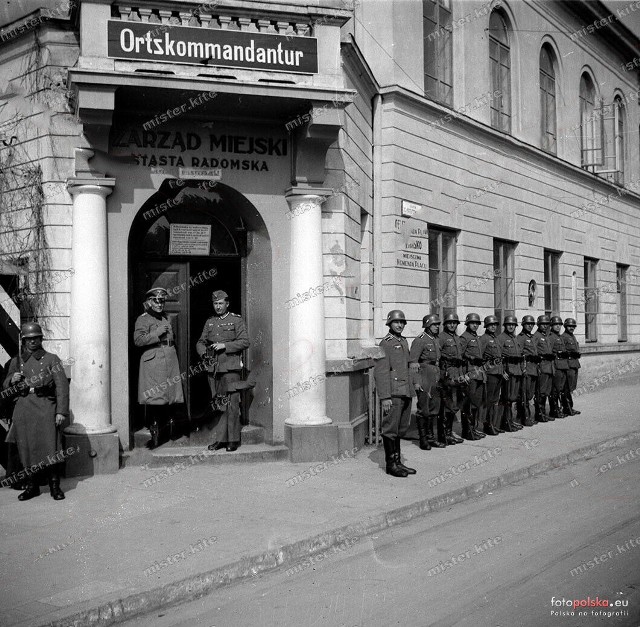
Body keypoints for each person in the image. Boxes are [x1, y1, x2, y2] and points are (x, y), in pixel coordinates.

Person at [2, 322, 69, 501]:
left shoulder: (52, 359)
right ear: (24, 341)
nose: (32, 342)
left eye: (36, 338)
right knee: (26, 449)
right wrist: (11, 379)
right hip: (23, 409)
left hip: (46, 407)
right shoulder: (17, 361)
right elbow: (5, 382)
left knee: (50, 447)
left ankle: (55, 486)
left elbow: (62, 387)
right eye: (29, 339)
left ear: (41, 339)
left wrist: (61, 412)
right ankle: (32, 486)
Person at [197, 290, 250, 452]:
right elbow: (201, 341)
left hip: (230, 367)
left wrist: (225, 346)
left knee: (232, 404)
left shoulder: (235, 320)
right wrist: (204, 353)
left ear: (227, 304)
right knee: (219, 404)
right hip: (214, 369)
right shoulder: (210, 322)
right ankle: (221, 439)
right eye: (215, 304)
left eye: (221, 304)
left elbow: (245, 341)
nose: (218, 307)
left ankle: (232, 440)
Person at [134, 287, 184, 448]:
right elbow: (138, 341)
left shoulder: (166, 318)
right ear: (149, 302)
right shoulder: (143, 319)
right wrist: (157, 332)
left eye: (162, 301)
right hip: (154, 362)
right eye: (156, 301)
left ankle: (169, 434)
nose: (159, 304)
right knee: (155, 399)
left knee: (169, 397)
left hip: (169, 359)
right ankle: (155, 438)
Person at [374, 309, 416, 477]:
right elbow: (381, 372)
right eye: (396, 322)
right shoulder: (386, 343)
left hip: (405, 391)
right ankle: (391, 465)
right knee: (390, 429)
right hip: (393, 393)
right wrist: (385, 397)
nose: (399, 325)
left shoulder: (403, 341)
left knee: (400, 428)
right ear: (389, 324)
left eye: (402, 322)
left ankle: (398, 462)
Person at [409, 314, 445, 450]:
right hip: (424, 377)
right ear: (427, 325)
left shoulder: (436, 339)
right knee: (423, 408)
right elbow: (413, 363)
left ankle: (431, 438)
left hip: (435, 376)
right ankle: (423, 439)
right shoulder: (420, 340)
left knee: (434, 408)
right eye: (434, 324)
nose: (437, 327)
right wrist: (416, 382)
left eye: (438, 324)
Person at [438, 313, 465, 446]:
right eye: (449, 322)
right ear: (445, 324)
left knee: (455, 404)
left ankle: (449, 432)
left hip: (458, 375)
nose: (452, 325)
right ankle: (445, 434)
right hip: (447, 375)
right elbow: (437, 357)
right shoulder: (441, 338)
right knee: (447, 405)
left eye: (455, 322)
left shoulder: (457, 338)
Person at [459, 313, 487, 441]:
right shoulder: (464, 338)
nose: (475, 325)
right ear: (467, 324)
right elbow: (460, 357)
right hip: (470, 374)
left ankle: (473, 428)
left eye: (477, 323)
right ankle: (467, 430)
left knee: (476, 403)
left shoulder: (477, 338)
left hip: (479, 374)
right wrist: (463, 374)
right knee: (468, 404)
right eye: (472, 323)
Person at [497, 315, 524, 431]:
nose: (511, 326)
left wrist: (522, 368)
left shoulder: (515, 338)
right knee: (506, 397)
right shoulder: (501, 338)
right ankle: (505, 422)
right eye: (509, 325)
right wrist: (502, 371)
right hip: (508, 372)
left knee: (512, 397)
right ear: (505, 326)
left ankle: (510, 420)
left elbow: (520, 355)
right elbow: (498, 357)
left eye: (513, 325)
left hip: (517, 371)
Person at [516, 315, 540, 427]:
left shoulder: (533, 337)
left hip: (534, 368)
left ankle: (521, 415)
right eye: (528, 324)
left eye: (532, 324)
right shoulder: (520, 337)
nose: (530, 326)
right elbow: (519, 355)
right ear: (523, 325)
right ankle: (525, 417)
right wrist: (522, 369)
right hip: (526, 368)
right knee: (524, 394)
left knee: (530, 394)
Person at [533, 315, 553, 422]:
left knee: (546, 391)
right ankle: (539, 414)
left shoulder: (546, 336)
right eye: (543, 324)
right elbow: (534, 352)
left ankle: (543, 413)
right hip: (542, 367)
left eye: (547, 324)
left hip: (549, 367)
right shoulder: (536, 336)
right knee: (540, 391)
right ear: (539, 325)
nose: (545, 326)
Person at [548, 315, 568, 419]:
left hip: (563, 365)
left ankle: (558, 409)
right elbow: (550, 353)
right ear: (551, 325)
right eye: (556, 324)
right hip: (556, 366)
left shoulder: (559, 337)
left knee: (560, 389)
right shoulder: (551, 337)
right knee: (555, 390)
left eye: (559, 325)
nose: (558, 326)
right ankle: (554, 410)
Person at [562, 318, 581, 415]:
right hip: (568, 365)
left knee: (571, 387)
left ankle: (569, 407)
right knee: (567, 388)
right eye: (570, 326)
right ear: (565, 326)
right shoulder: (564, 337)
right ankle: (567, 408)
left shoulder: (572, 336)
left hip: (574, 364)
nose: (572, 328)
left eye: (573, 326)